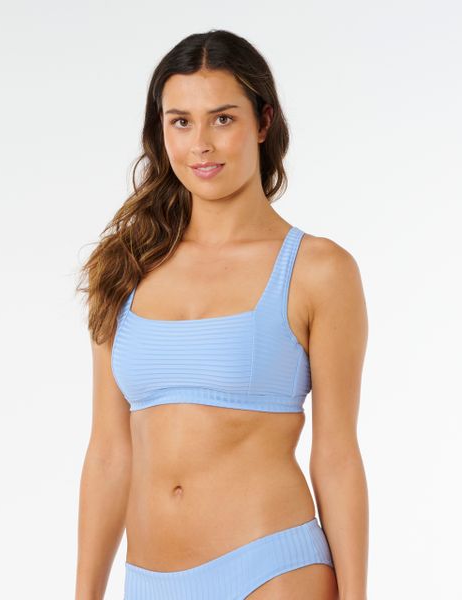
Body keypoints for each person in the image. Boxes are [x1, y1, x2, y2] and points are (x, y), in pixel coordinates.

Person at [75, 29, 369, 600]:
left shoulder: (318, 270)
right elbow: (109, 453)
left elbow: (336, 456)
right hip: (149, 581)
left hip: (273, 569)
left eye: (223, 119)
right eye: (181, 122)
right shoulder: (123, 267)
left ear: (263, 123)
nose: (201, 144)